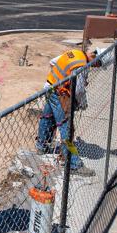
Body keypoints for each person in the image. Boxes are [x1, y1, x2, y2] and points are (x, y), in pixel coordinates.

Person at [36, 49, 98, 177]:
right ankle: (74, 164)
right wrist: (82, 103)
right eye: (97, 64)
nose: (94, 66)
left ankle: (41, 146)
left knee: (47, 117)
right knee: (66, 128)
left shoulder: (76, 53)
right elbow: (78, 91)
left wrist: (62, 78)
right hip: (58, 93)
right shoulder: (82, 66)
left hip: (50, 86)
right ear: (94, 57)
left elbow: (53, 62)